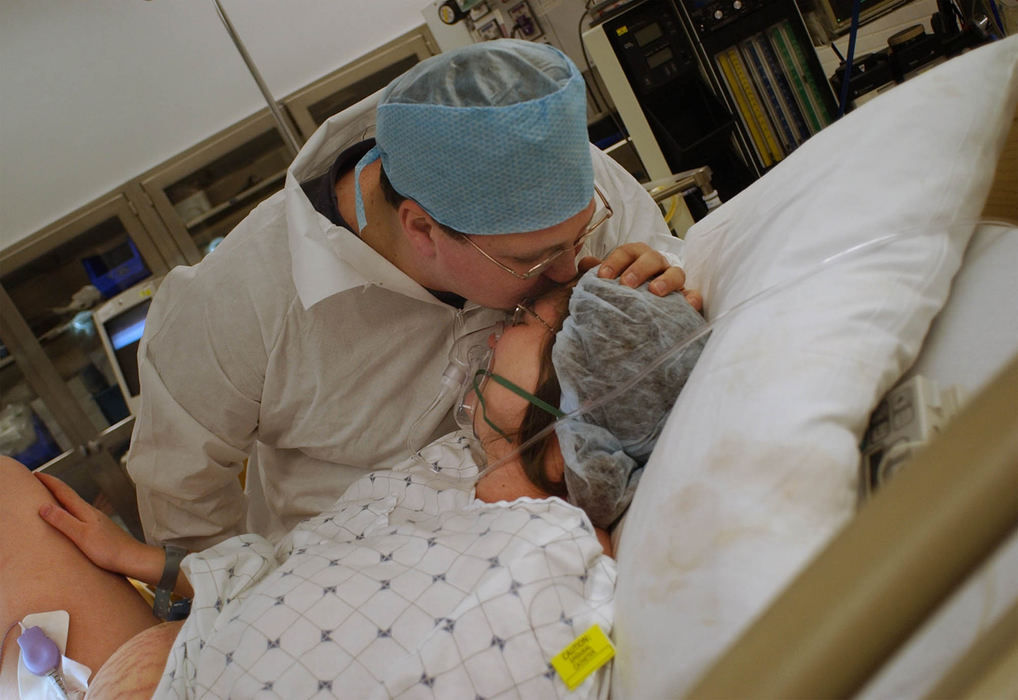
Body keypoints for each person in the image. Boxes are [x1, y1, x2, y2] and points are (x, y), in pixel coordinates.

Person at [1, 271, 707, 698]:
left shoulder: (570, 566)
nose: (497, 333)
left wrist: (602, 600)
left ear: (573, 403)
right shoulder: (444, 468)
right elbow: (290, 567)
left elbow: (574, 666)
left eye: (526, 322)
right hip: (185, 656)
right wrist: (148, 563)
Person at [126, 39, 702, 551]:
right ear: (421, 228)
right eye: (533, 259)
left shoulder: (556, 172)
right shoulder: (242, 301)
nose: (569, 271)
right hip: (346, 571)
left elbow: (667, 287)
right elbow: (181, 503)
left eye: (581, 235)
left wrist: (663, 281)